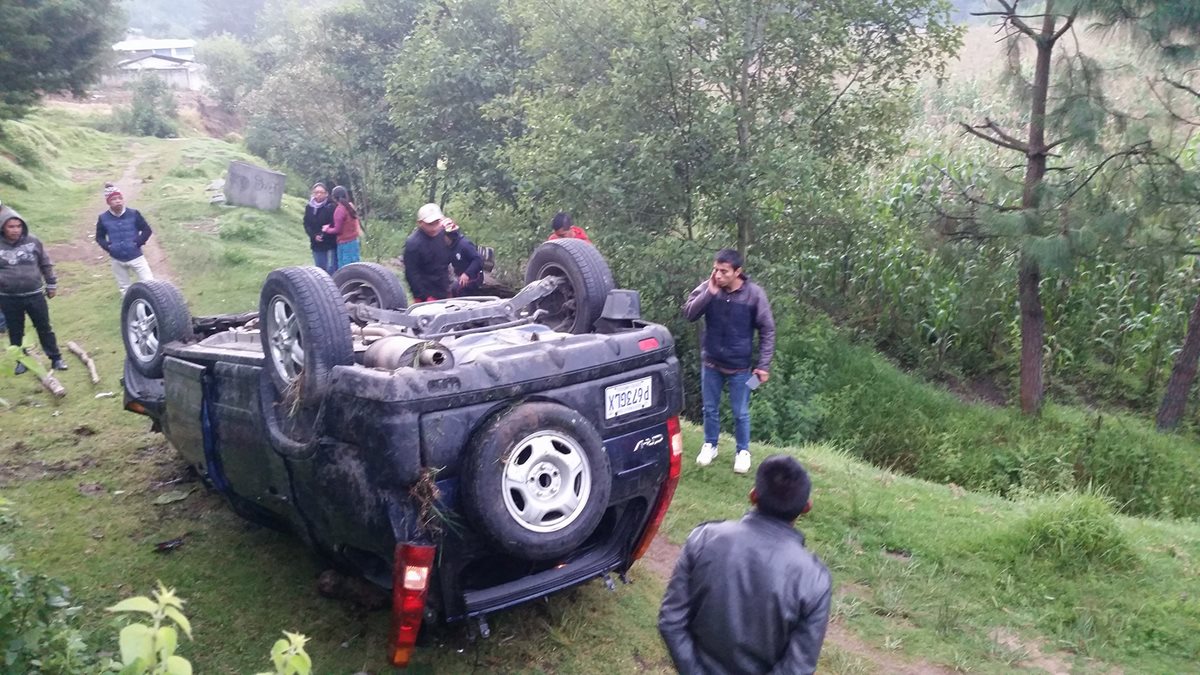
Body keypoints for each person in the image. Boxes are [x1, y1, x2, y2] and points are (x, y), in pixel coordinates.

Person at [658, 455, 831, 675]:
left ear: (753, 495)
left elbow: (671, 621)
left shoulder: (703, 538)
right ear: (806, 508)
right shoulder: (815, 579)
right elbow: (798, 668)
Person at [683, 248, 775, 474]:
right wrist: (709, 294)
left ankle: (742, 452)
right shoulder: (707, 287)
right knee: (709, 409)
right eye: (715, 269)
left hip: (740, 368)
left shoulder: (754, 294)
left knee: (740, 412)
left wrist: (763, 365)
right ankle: (710, 445)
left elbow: (768, 330)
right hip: (711, 363)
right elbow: (689, 314)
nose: (718, 275)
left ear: (738, 272)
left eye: (724, 271)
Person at [0, 204, 67, 373]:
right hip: (8, 297)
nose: (15, 230)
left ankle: (56, 358)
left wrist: (51, 284)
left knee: (44, 327)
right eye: (11, 227)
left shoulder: (33, 241)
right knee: (15, 330)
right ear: (3, 227)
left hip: (35, 294)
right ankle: (21, 361)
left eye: (18, 226)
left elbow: (45, 263)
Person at [95, 182, 154, 294]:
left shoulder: (134, 213)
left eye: (120, 198)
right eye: (114, 199)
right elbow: (99, 237)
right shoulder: (103, 218)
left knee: (150, 283)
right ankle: (130, 310)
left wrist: (138, 242)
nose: (118, 201)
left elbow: (147, 230)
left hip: (136, 256)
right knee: (124, 288)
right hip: (117, 259)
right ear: (108, 202)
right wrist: (109, 247)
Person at [404, 203, 456, 302]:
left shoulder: (444, 235)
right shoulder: (413, 243)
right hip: (425, 293)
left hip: (444, 288)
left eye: (437, 223)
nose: (434, 227)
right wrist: (425, 297)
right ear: (420, 223)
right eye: (430, 224)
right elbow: (412, 274)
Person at [323, 185, 362, 269]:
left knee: (345, 267)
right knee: (356, 265)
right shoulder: (350, 206)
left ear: (334, 197)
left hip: (344, 243)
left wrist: (327, 229)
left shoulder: (340, 210)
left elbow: (337, 230)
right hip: (354, 241)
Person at [303, 182, 337, 274]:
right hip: (316, 243)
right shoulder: (309, 207)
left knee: (331, 269)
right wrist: (314, 236)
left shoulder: (331, 206)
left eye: (321, 192)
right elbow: (306, 224)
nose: (318, 194)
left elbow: (334, 223)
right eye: (316, 192)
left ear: (326, 194)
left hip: (330, 242)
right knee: (320, 270)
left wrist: (323, 235)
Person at [443, 219, 483, 296]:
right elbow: (444, 263)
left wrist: (467, 274)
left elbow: (478, 260)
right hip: (459, 275)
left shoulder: (464, 245)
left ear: (449, 235)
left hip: (474, 276)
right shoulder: (449, 247)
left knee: (456, 289)